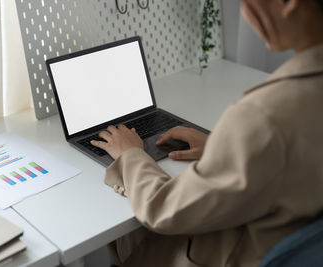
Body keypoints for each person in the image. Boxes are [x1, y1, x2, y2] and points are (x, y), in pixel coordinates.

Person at [91, 0, 323, 266]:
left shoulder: (264, 116)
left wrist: (130, 153)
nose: (245, 14)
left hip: (239, 253)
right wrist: (226, 148)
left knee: (120, 233)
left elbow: (163, 209)